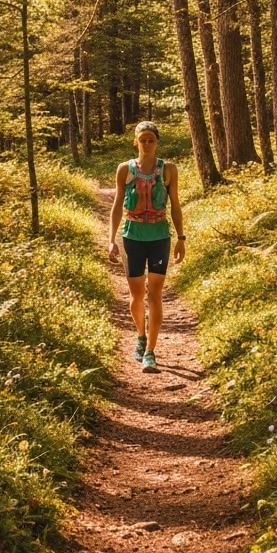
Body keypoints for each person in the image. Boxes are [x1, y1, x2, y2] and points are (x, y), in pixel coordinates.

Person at [108, 121, 186, 373]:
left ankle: (151, 352)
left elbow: (175, 205)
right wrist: (111, 240)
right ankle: (140, 335)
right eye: (143, 139)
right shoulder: (124, 169)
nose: (147, 144)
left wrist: (181, 238)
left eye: (151, 139)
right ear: (136, 142)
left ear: (157, 142)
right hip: (132, 237)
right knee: (136, 295)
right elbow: (117, 205)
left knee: (154, 294)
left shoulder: (168, 170)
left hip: (159, 237)